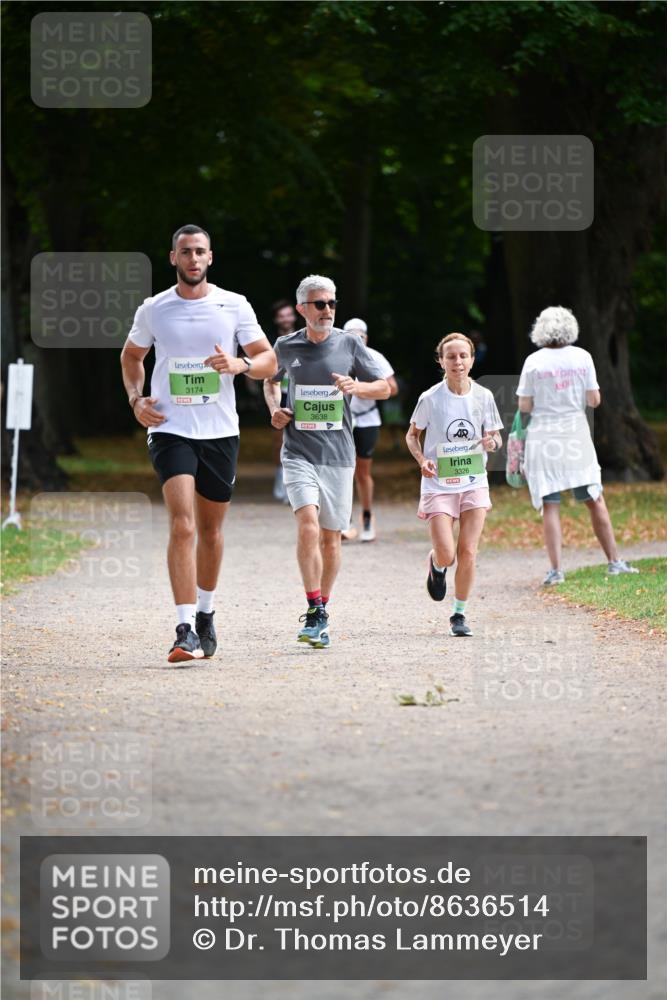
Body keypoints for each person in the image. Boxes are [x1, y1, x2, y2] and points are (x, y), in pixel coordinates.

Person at [120, 224, 276, 662]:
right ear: (173, 258)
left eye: (200, 252)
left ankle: (207, 613)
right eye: (185, 252)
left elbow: (269, 360)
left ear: (210, 258)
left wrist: (240, 363)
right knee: (183, 523)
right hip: (170, 427)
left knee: (210, 530)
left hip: (220, 430)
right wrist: (135, 399)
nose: (192, 259)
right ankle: (185, 628)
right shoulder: (154, 309)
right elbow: (131, 357)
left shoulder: (234, 305)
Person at [264, 275, 391, 648]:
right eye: (320, 304)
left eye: (332, 303)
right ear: (302, 308)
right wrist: (275, 409)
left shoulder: (349, 344)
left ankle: (324, 607)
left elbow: (384, 386)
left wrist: (357, 387)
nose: (328, 310)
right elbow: (271, 381)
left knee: (331, 538)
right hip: (298, 451)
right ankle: (313, 607)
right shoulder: (286, 345)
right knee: (307, 525)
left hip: (338, 455)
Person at [516, 306, 639, 585]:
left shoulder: (533, 361)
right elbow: (594, 400)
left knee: (550, 503)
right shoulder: (583, 357)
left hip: (543, 438)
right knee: (594, 498)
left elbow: (524, 404)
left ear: (541, 329)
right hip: (575, 436)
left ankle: (556, 570)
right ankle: (614, 561)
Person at [406, 333, 503, 637]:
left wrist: (492, 441)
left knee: (469, 552)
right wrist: (423, 460)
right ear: (441, 361)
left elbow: (496, 437)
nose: (458, 362)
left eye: (463, 356)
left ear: (472, 359)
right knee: (448, 554)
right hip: (439, 485)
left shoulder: (484, 396)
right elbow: (412, 436)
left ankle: (459, 615)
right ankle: (437, 564)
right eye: (451, 357)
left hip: (474, 482)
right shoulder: (430, 398)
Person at [340, 318, 398, 542]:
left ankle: (366, 516)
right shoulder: (336, 355)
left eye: (360, 335)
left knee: (362, 472)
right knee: (343, 469)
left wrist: (362, 389)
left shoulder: (375, 357)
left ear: (366, 337)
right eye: (351, 335)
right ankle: (344, 520)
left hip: (367, 420)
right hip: (342, 421)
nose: (357, 339)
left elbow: (392, 388)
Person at [267, 299, 297, 502]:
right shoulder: (269, 343)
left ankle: (297, 485)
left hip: (301, 394)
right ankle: (281, 482)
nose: (286, 319)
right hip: (279, 393)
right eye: (282, 315)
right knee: (279, 439)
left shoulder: (305, 337)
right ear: (277, 319)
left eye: (288, 314)